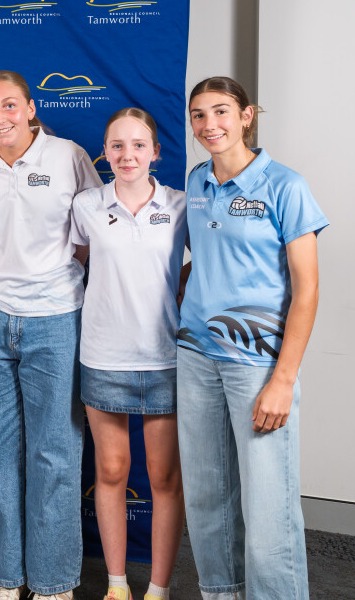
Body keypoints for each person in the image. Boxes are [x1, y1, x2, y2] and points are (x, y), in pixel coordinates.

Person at [0, 70, 102, 600]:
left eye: (9, 105)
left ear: (31, 108)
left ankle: (53, 581)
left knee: (55, 450)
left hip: (56, 316)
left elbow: (92, 232)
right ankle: (6, 577)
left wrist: (51, 276)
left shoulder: (68, 156)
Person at [177, 77, 325, 600]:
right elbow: (205, 259)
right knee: (207, 500)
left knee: (268, 511)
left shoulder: (285, 185)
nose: (209, 124)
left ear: (246, 116)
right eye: (199, 115)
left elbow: (307, 290)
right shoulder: (197, 181)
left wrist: (283, 380)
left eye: (221, 111)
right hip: (196, 357)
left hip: (257, 364)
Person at [70, 109, 186, 600]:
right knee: (111, 471)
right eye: (117, 145)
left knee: (164, 478)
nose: (127, 154)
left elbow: (200, 266)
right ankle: (116, 586)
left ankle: (158, 589)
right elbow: (77, 260)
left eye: (138, 145)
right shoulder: (86, 205)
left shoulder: (181, 205)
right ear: (105, 152)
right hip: (103, 355)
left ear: (155, 152)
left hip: (165, 358)